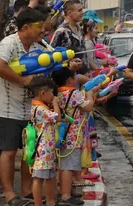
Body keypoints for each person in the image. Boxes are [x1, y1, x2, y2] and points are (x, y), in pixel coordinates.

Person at [0, 8, 46, 206]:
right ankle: (9, 194)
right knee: (8, 151)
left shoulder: (37, 47)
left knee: (28, 151)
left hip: (29, 107)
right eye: (39, 27)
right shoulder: (9, 43)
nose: (43, 31)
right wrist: (22, 81)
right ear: (25, 27)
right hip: (7, 106)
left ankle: (26, 190)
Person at [51, 67, 98, 205]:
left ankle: (66, 191)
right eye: (75, 77)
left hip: (62, 133)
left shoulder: (58, 93)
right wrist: (89, 94)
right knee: (68, 166)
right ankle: (66, 195)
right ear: (69, 80)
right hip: (73, 135)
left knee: (65, 165)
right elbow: (88, 107)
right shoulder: (74, 93)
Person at [27, 76, 61, 206]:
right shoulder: (40, 109)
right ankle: (38, 204)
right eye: (51, 92)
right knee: (39, 178)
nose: (53, 95)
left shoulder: (39, 107)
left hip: (48, 149)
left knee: (51, 176)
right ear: (42, 93)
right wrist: (56, 104)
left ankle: (51, 201)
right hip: (43, 151)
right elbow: (56, 118)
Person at [50, 0, 87, 73]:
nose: (82, 12)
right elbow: (51, 56)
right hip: (67, 78)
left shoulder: (80, 30)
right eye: (79, 10)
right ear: (70, 13)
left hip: (83, 77)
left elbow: (84, 54)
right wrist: (68, 63)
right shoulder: (61, 32)